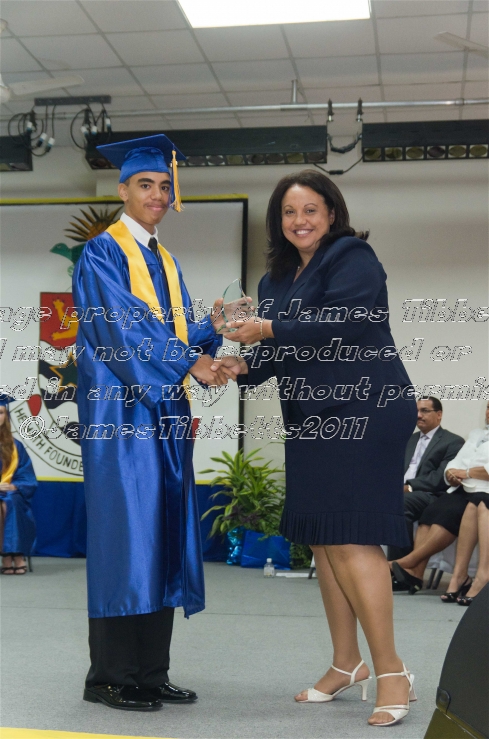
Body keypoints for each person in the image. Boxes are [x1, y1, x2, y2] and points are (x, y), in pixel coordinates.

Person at [214, 170, 418, 727]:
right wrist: (239, 363)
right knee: (325, 542)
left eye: (310, 210)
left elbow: (342, 323)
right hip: (311, 419)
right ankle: (347, 662)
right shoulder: (275, 280)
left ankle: (392, 671)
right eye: (288, 212)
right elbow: (278, 351)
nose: (299, 220)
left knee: (352, 538)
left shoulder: (351, 256)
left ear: (331, 213)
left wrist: (265, 329)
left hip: (364, 409)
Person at [73, 134, 228, 711]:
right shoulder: (102, 253)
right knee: (127, 538)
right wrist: (189, 361)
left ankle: (149, 671)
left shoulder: (164, 259)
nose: (158, 194)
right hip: (121, 417)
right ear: (122, 190)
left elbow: (175, 329)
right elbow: (123, 326)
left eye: (165, 185)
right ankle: (109, 676)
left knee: (162, 535)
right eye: (146, 184)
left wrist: (215, 327)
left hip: (163, 415)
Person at [392, 402, 489, 597]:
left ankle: (408, 562)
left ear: (439, 414)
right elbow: (455, 464)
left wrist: (466, 472)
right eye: (488, 407)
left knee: (448, 514)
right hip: (462, 488)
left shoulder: (451, 440)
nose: (488, 412)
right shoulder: (476, 434)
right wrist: (451, 474)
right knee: (431, 513)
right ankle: (416, 573)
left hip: (483, 490)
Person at [388, 396, 464, 565]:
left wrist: (409, 487)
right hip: (401, 490)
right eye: (416, 411)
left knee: (400, 503)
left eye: (424, 411)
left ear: (439, 414)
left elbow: (441, 477)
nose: (418, 415)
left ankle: (399, 567)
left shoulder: (453, 441)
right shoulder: (409, 439)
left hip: (431, 495)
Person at [0, 395, 37, 575]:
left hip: (10, 492)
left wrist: (15, 486)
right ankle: (8, 556)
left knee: (11, 500)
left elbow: (26, 475)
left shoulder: (16, 447)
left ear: (6, 416)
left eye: (1, 412)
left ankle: (15, 554)